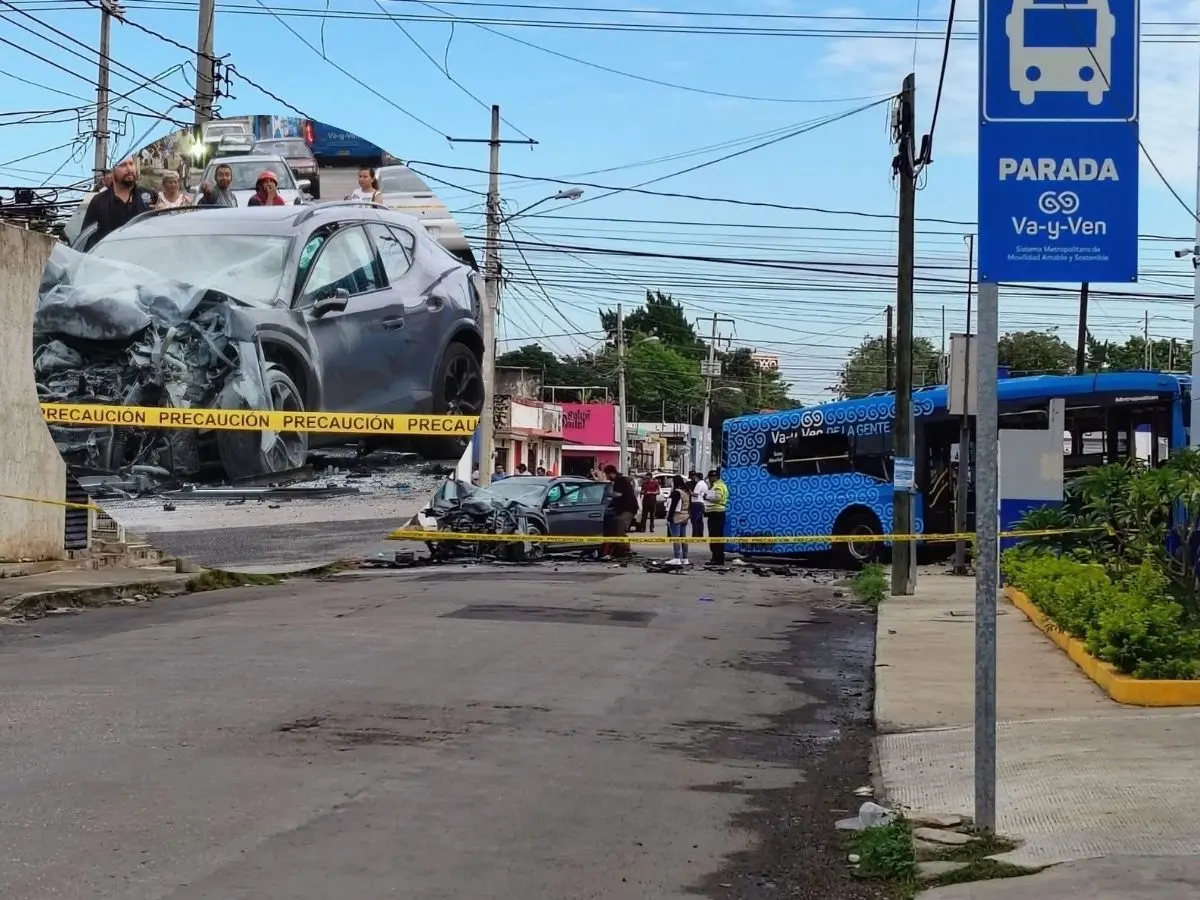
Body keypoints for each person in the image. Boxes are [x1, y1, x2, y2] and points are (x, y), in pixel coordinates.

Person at [80, 156, 153, 247]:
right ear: (112, 171)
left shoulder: (151, 196)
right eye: (123, 165)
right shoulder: (98, 201)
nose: (129, 168)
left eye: (131, 164)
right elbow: (87, 238)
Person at [600, 465, 639, 559]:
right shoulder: (618, 480)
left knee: (620, 525)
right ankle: (619, 549)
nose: (606, 477)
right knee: (617, 524)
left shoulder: (619, 480)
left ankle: (626, 549)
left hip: (628, 508)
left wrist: (609, 495)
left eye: (606, 474)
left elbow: (618, 494)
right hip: (623, 509)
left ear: (610, 473)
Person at [665, 475, 692, 566]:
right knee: (683, 538)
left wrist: (669, 518)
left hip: (677, 516)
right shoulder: (686, 492)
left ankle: (677, 557)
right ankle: (685, 558)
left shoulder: (676, 492)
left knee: (676, 538)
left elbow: (672, 507)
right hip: (685, 515)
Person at [703, 468, 729, 566]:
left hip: (716, 513)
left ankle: (717, 558)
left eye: (710, 478)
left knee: (715, 536)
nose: (709, 480)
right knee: (716, 536)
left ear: (714, 477)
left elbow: (718, 498)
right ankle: (717, 557)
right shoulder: (717, 485)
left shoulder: (718, 486)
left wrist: (707, 497)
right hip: (716, 513)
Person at [690, 470, 708, 540]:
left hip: (696, 503)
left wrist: (690, 492)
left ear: (697, 477)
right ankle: (700, 534)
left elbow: (695, 494)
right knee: (699, 520)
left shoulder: (699, 484)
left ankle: (696, 535)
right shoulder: (704, 484)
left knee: (695, 520)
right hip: (701, 503)